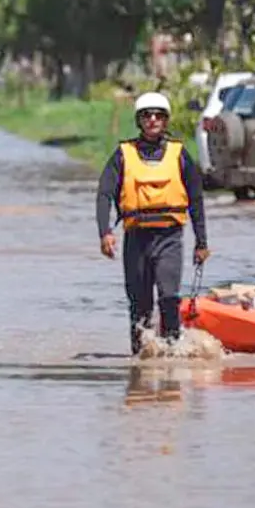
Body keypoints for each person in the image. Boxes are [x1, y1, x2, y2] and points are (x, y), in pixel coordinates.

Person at [95, 91, 210, 355]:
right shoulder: (123, 154)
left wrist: (202, 242)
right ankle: (141, 363)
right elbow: (104, 193)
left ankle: (172, 359)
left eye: (159, 115)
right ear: (139, 120)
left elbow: (196, 198)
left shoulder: (180, 154)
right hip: (136, 239)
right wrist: (105, 232)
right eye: (147, 115)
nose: (153, 120)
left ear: (166, 120)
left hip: (169, 237)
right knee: (140, 304)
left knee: (169, 298)